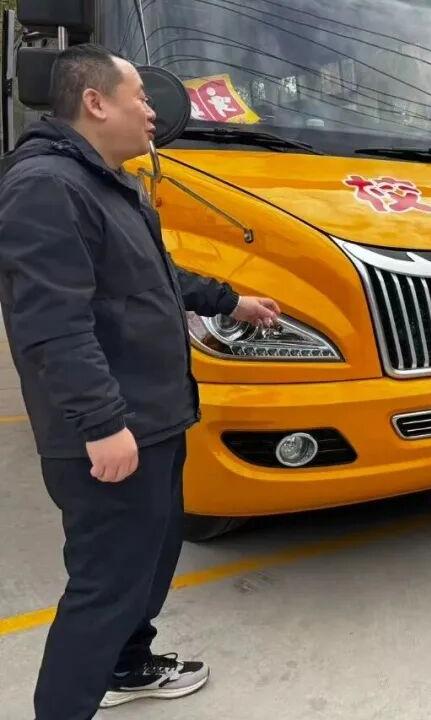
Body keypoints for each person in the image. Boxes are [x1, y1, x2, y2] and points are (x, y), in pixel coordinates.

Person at [0, 44, 282, 717]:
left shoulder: (105, 182)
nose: (154, 112)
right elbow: (53, 324)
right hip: (111, 430)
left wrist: (230, 301)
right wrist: (102, 425)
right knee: (104, 589)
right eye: (141, 98)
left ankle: (128, 665)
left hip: (152, 418)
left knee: (146, 566)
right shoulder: (46, 188)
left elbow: (154, 276)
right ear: (95, 103)